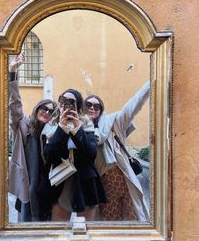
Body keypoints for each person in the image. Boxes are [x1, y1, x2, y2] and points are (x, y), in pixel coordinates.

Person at [84, 82, 150, 221]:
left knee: (135, 224)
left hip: (124, 182)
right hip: (102, 188)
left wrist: (151, 83)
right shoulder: (78, 130)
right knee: (111, 226)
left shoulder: (113, 122)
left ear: (101, 109)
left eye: (97, 106)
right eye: (88, 105)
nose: (92, 108)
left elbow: (134, 104)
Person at [42, 89, 106, 221]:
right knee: (59, 232)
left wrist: (77, 128)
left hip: (85, 181)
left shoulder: (86, 122)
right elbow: (50, 155)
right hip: (60, 181)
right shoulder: (51, 124)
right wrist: (62, 127)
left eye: (71, 102)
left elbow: (91, 154)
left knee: (86, 231)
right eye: (63, 101)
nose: (66, 105)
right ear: (59, 103)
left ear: (77, 105)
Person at [8, 53, 57, 221]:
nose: (46, 112)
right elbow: (15, 104)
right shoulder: (24, 125)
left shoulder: (52, 133)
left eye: (51, 111)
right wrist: (13, 71)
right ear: (37, 109)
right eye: (44, 108)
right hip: (26, 187)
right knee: (24, 229)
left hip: (47, 189)